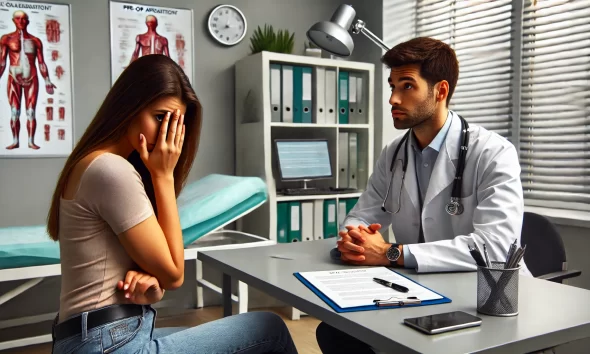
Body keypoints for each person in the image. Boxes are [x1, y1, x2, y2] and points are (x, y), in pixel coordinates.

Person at [46, 54, 298, 354]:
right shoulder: (111, 170)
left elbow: (160, 275)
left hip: (99, 336)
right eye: (160, 118)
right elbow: (175, 274)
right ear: (129, 106)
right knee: (269, 329)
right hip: (107, 343)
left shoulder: (96, 163)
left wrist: (152, 283)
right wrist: (163, 176)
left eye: (176, 124)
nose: (167, 137)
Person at [315, 37, 530, 353]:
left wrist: (390, 252)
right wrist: (355, 239)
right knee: (336, 333)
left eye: (406, 86)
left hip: (487, 299)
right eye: (392, 87)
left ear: (440, 91)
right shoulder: (394, 153)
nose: (393, 99)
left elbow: (495, 248)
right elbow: (364, 213)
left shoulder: (493, 153)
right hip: (420, 291)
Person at [0, 10, 56, 150]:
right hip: (14, 78)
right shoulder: (6, 39)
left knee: (31, 112)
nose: (21, 21)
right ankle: (15, 141)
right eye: (18, 18)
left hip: (31, 78)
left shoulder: (35, 41)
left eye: (24, 19)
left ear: (28, 21)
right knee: (15, 112)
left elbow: (41, 62)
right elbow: (2, 61)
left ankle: (30, 141)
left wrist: (47, 80)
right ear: (14, 20)